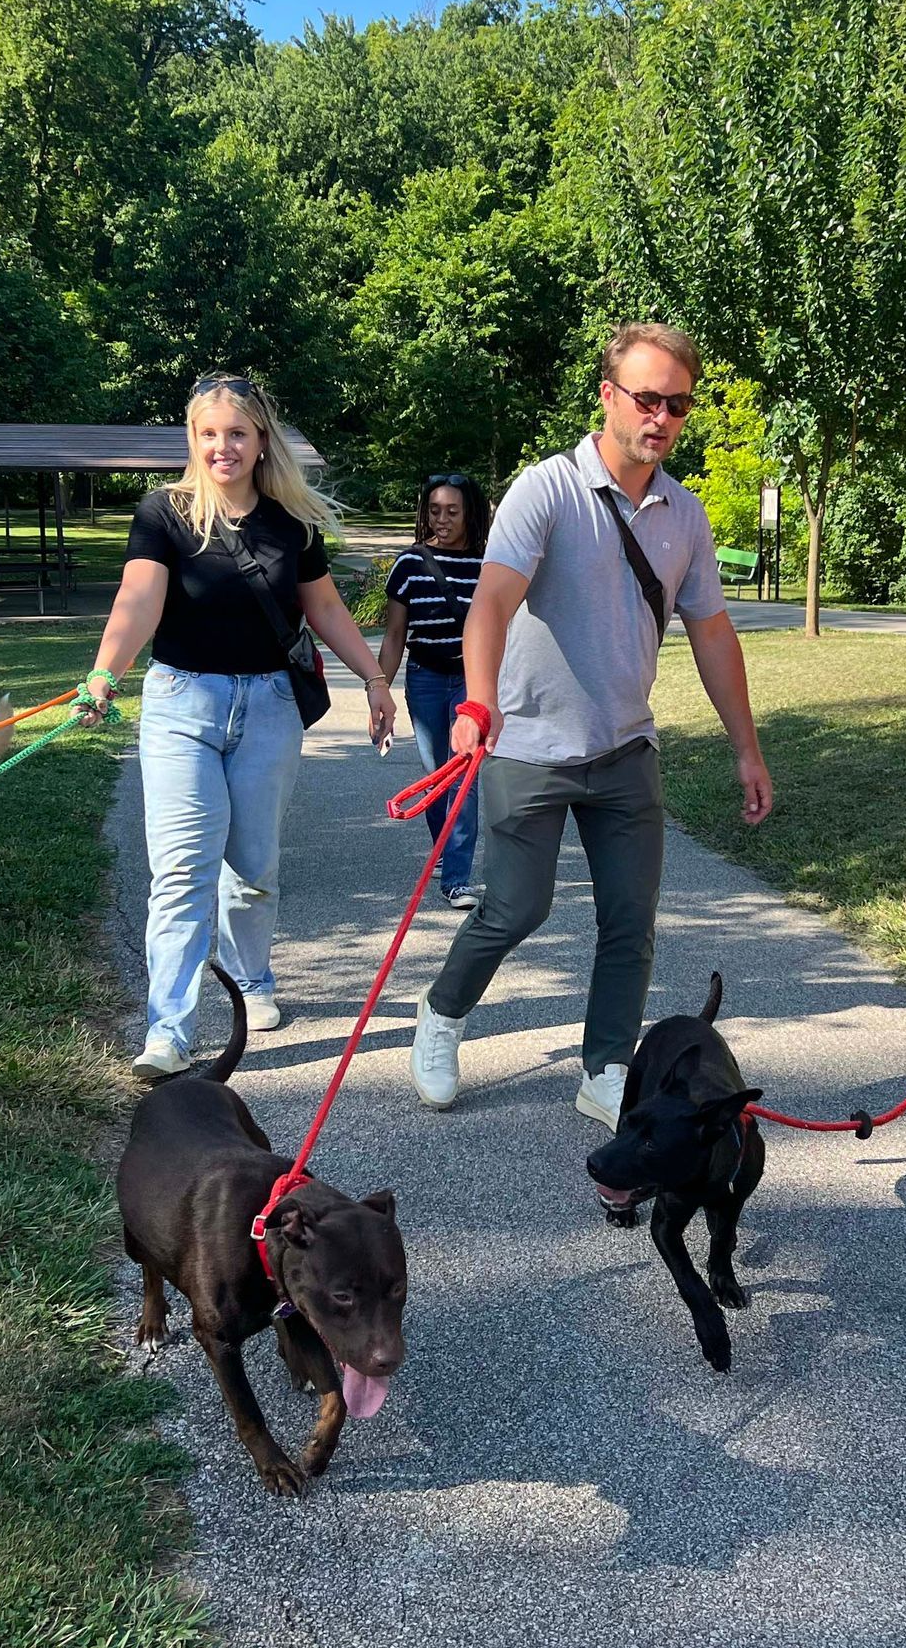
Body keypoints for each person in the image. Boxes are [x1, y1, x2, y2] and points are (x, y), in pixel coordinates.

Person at [408, 322, 772, 1128]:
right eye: (647, 398)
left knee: (630, 920)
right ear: (608, 395)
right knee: (516, 907)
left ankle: (606, 1068)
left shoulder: (685, 514)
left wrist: (747, 749)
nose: (662, 417)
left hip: (625, 747)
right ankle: (440, 1013)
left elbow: (713, 634)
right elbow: (491, 602)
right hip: (528, 746)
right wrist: (476, 702)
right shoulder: (548, 490)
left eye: (679, 404)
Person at [76, 374, 395, 1080]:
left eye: (237, 433)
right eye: (209, 433)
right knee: (182, 869)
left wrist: (376, 680)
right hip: (181, 703)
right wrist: (104, 672)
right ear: (194, 440)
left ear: (260, 442)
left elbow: (326, 609)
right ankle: (170, 1030)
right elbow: (138, 599)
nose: (223, 446)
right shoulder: (164, 513)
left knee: (252, 869)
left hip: (270, 707)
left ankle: (252, 981)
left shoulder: (291, 523)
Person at [377, 471, 492, 910]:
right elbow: (394, 636)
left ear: (470, 515)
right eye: (434, 511)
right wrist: (380, 693)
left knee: (463, 777)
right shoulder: (410, 564)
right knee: (436, 777)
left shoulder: (489, 565)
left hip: (470, 680)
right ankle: (445, 848)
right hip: (424, 677)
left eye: (452, 512)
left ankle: (457, 879)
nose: (441, 520)